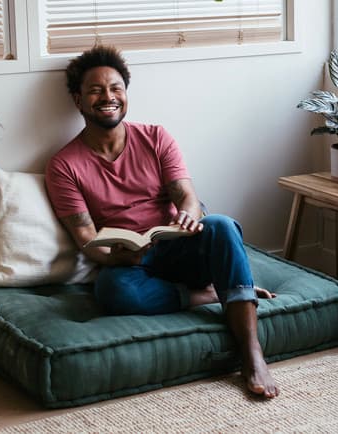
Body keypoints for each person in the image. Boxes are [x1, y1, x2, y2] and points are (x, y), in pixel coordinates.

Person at [45, 45, 279, 398]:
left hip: (179, 246)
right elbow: (86, 239)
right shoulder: (64, 165)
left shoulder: (155, 137)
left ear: (125, 94)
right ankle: (212, 294)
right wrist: (117, 256)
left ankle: (252, 356)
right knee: (112, 290)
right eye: (95, 90)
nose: (108, 97)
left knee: (222, 225)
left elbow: (186, 194)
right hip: (133, 263)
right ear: (78, 101)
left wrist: (188, 214)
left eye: (115, 88)